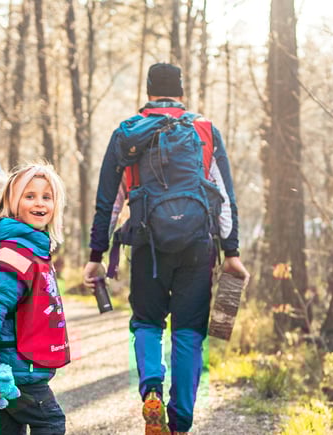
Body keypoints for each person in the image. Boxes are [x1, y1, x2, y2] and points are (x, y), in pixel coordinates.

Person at [82, 63, 250, 435]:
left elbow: (108, 202)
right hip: (197, 246)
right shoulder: (204, 130)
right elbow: (224, 198)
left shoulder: (127, 134)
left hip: (147, 245)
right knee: (188, 331)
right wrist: (232, 251)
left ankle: (152, 391)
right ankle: (180, 421)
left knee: (146, 323)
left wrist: (96, 256)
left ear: (148, 92)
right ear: (182, 92)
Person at [0, 163, 69, 435]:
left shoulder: (31, 247)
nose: (39, 203)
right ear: (12, 202)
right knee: (50, 422)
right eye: (29, 196)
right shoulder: (14, 252)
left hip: (18, 364)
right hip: (16, 366)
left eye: (47, 196)